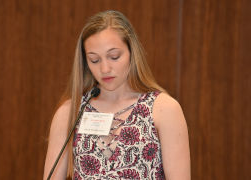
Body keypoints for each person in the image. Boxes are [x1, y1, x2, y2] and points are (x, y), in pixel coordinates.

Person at [44, 10, 190, 179]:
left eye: (114, 56)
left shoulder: (164, 109)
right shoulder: (71, 112)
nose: (105, 69)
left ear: (132, 53)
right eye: (95, 60)